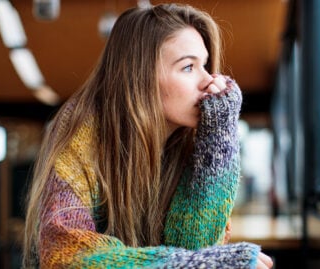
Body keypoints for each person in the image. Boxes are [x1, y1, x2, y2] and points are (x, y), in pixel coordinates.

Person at [23, 3, 273, 268]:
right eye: (188, 67)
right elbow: (69, 259)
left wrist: (219, 135)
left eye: (206, 65)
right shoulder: (82, 138)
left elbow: (194, 247)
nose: (208, 80)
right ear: (140, 77)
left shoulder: (189, 143)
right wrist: (217, 264)